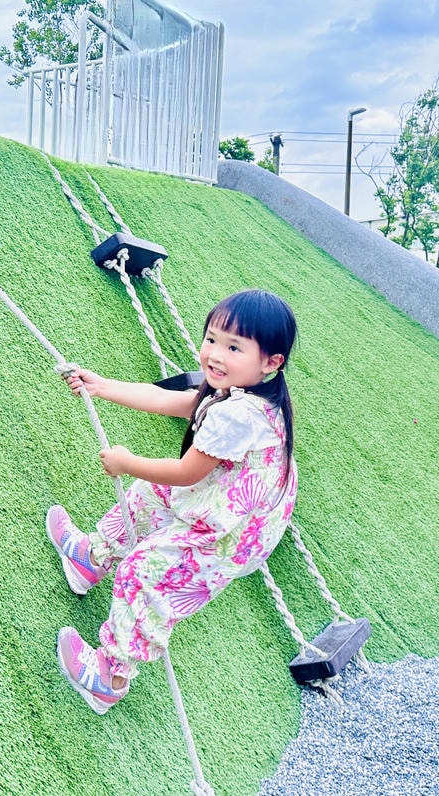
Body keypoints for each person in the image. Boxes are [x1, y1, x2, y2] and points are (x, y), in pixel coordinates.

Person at [47, 289, 299, 714]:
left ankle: (110, 676)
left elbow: (186, 473)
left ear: (271, 362)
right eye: (212, 339)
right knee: (152, 496)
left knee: (144, 571)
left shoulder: (241, 415)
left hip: (229, 537)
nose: (215, 354)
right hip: (226, 502)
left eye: (234, 347)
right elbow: (177, 402)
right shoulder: (235, 392)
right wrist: (101, 385)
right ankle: (91, 558)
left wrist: (127, 462)